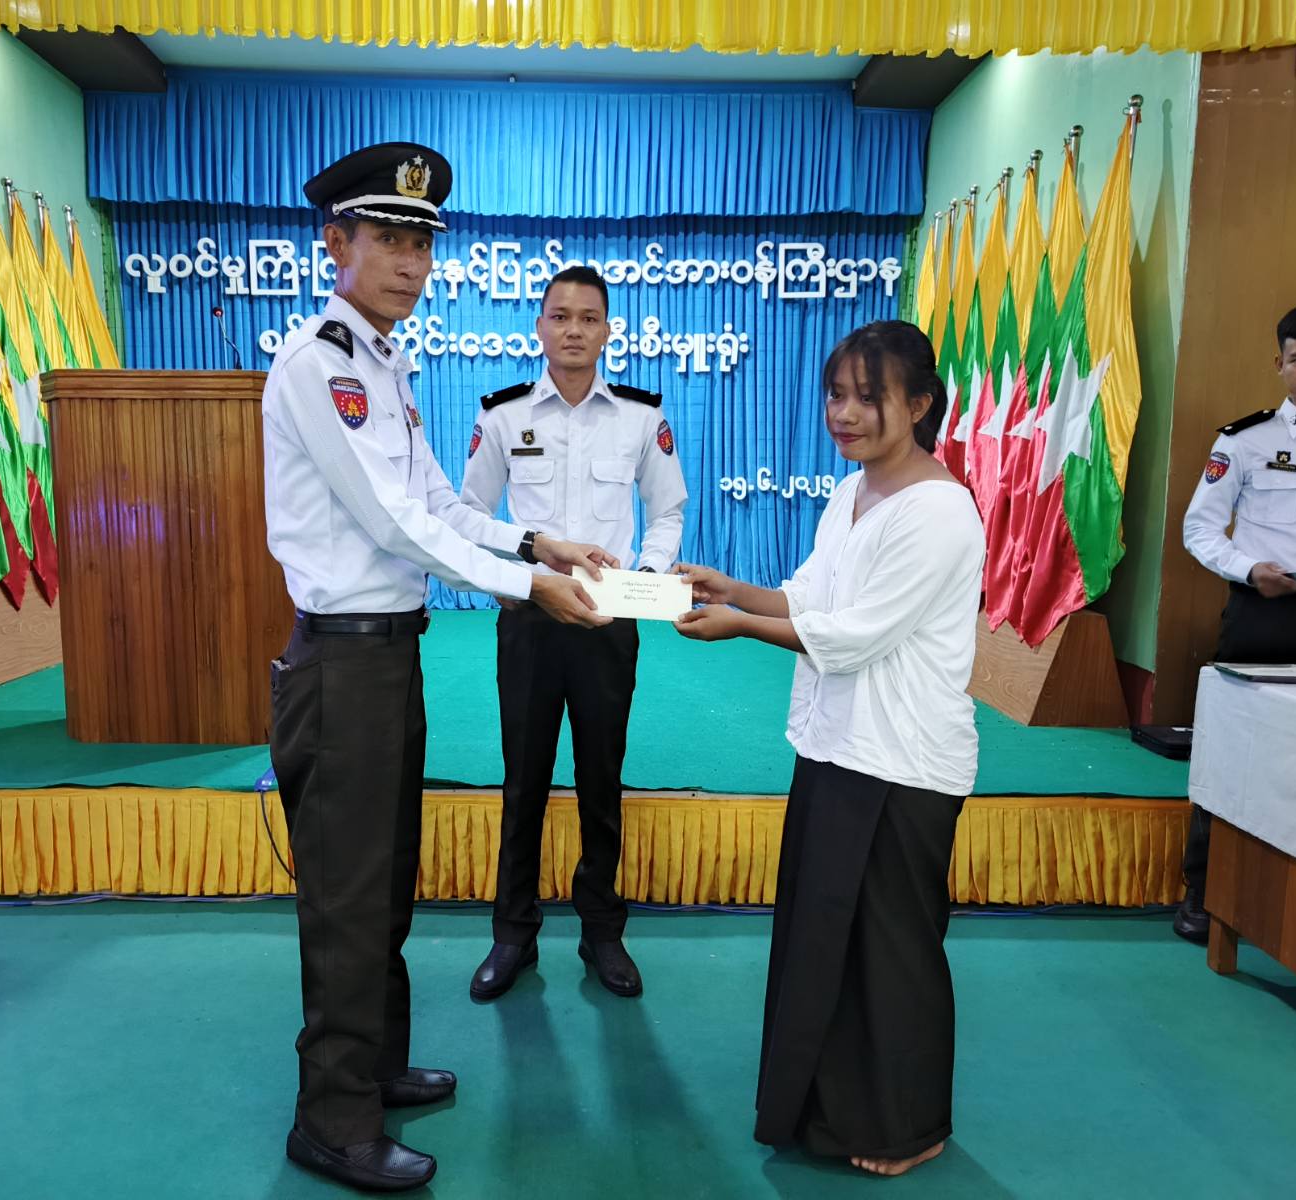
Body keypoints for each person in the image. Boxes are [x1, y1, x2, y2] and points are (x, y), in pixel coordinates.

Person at [262, 142, 618, 1193]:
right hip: (341, 667)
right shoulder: (319, 363)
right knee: (346, 898)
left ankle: (373, 1068)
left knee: (384, 885)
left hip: (388, 660)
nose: (412, 264)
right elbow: (393, 523)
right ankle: (331, 1120)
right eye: (389, 240)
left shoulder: (385, 367)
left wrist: (535, 543)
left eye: (422, 244)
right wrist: (527, 587)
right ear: (335, 243)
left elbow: (442, 507)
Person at [675, 320, 984, 1178]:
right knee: (827, 942)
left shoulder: (939, 510)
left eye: (868, 397)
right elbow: (812, 596)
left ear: (919, 405)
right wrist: (735, 590)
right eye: (835, 394)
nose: (844, 414)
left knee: (892, 951)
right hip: (835, 749)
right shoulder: (851, 491)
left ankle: (909, 1125)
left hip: (903, 763)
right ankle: (831, 1110)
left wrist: (739, 626)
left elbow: (854, 636)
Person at [458, 266, 688, 1002]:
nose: (574, 330)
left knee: (600, 780)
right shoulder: (503, 416)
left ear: (609, 330)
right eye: (560, 316)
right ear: (539, 327)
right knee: (523, 781)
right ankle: (512, 934)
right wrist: (518, 570)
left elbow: (668, 511)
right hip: (530, 619)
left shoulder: (640, 417)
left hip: (605, 624)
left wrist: (641, 581)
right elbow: (469, 514)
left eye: (589, 318)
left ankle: (602, 932)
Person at [1176, 297, 1296, 943]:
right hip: (1262, 618)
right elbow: (1200, 529)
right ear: (1279, 365)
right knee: (1237, 753)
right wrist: (1250, 567)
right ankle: (1205, 892)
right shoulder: (1245, 441)